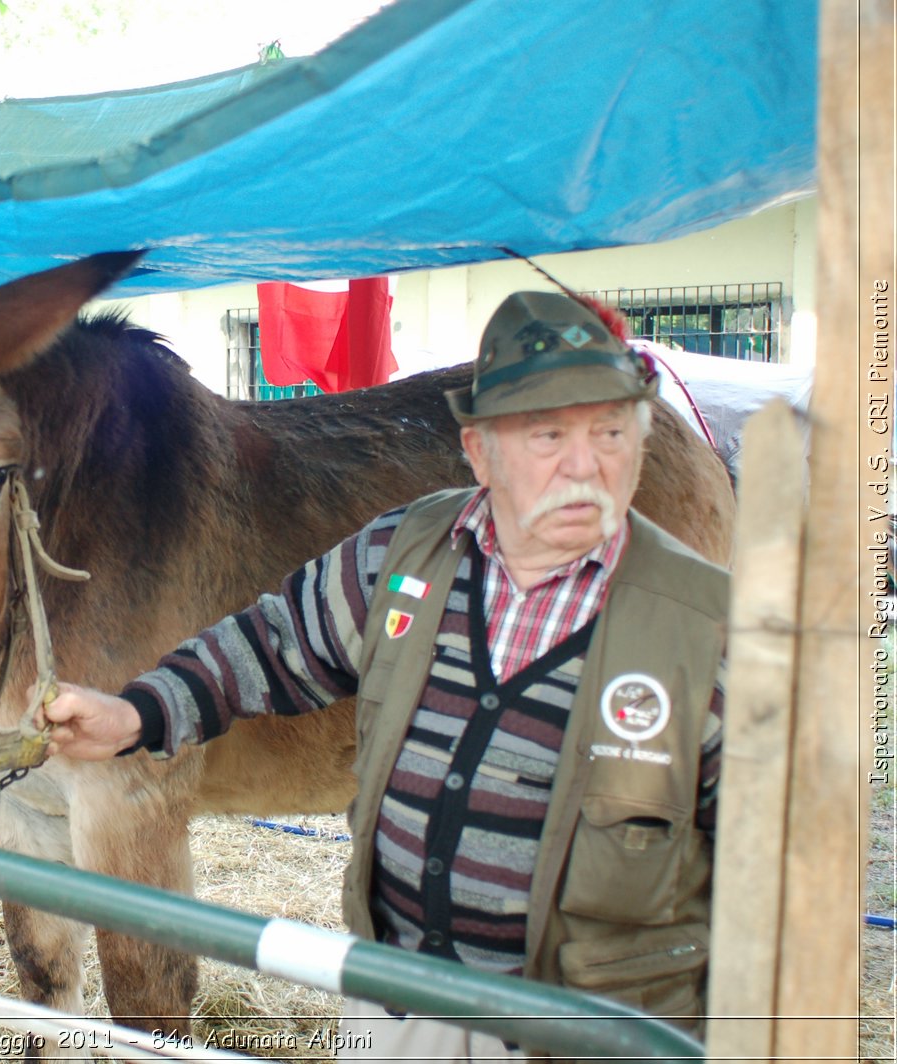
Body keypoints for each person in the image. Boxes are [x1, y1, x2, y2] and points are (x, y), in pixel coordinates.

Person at [40, 291, 727, 1061]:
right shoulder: (405, 552)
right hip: (401, 996)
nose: (583, 465)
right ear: (480, 450)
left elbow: (761, 847)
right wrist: (138, 713)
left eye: (610, 430)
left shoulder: (707, 626)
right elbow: (273, 645)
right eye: (546, 434)